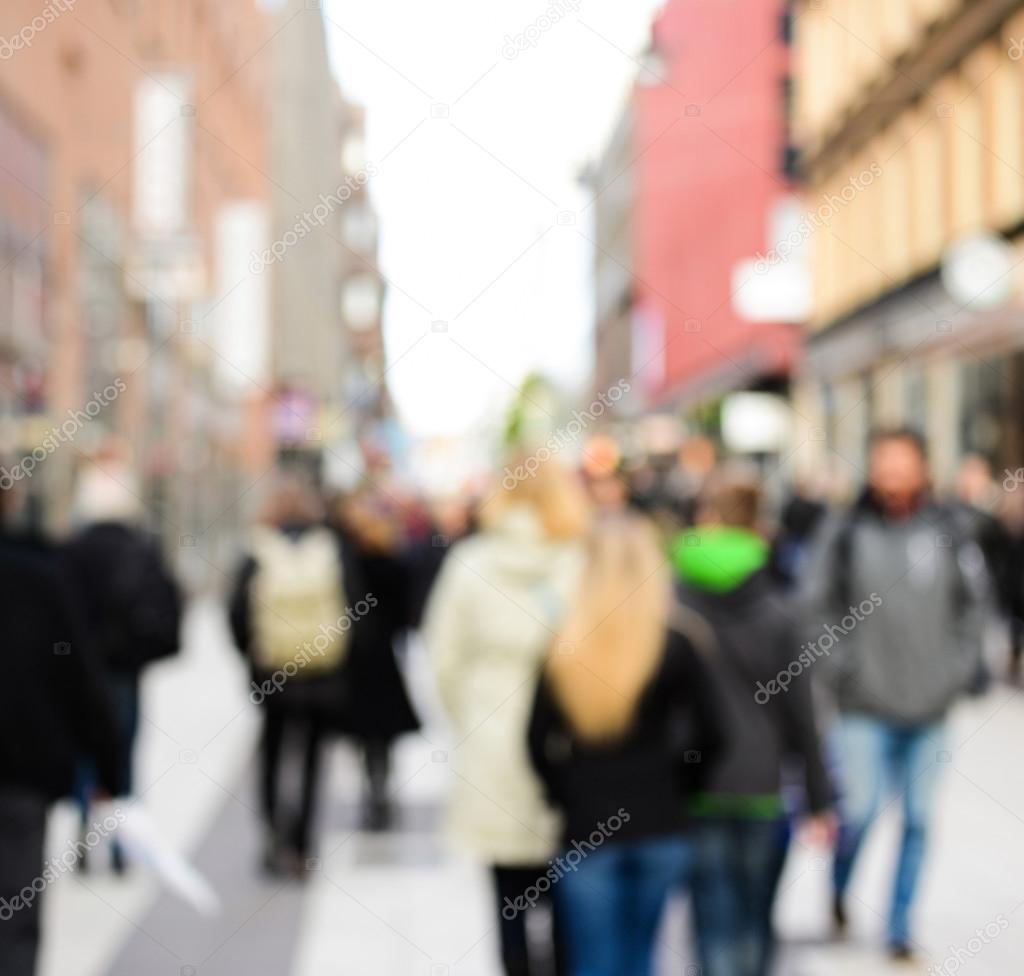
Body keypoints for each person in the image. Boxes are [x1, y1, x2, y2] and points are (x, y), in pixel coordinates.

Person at [803, 428, 985, 960]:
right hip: (864, 705)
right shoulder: (845, 530)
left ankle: (900, 925)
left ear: (924, 469)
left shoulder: (949, 530)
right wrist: (841, 669)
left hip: (930, 706)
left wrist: (958, 668)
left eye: (903, 464)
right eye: (884, 463)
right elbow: (815, 605)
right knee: (856, 811)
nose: (893, 475)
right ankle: (838, 887)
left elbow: (974, 606)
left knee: (920, 818)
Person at [527, 514, 726, 976]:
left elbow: (535, 743)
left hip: (586, 823)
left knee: (593, 962)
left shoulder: (562, 646)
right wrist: (682, 787)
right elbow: (714, 735)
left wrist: (564, 791)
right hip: (660, 822)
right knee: (641, 958)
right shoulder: (679, 643)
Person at [424, 458, 589, 976]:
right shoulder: (579, 561)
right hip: (568, 750)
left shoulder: (470, 562)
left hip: (493, 746)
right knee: (568, 900)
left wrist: (471, 719)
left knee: (508, 901)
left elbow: (443, 660)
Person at [671, 470, 833, 976]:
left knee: (709, 915)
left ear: (706, 518)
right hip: (762, 784)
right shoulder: (778, 610)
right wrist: (820, 797)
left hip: (692, 783)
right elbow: (801, 712)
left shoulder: (671, 604)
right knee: (755, 915)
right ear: (758, 529)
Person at [0, 486, 121, 976]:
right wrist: (109, 766)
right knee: (15, 913)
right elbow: (79, 679)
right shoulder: (41, 576)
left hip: (24, 770)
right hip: (22, 773)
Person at [230, 472, 355, 875]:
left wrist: (251, 654)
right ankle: (303, 845)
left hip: (273, 671)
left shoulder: (258, 549)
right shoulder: (329, 548)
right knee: (314, 760)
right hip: (322, 672)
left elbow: (236, 612)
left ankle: (271, 835)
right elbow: (353, 606)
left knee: (271, 753)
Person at [63, 461, 182, 873]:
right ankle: (119, 847)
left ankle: (84, 832)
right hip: (124, 672)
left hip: (81, 673)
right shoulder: (142, 548)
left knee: (84, 754)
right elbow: (168, 606)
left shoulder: (72, 550)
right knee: (125, 754)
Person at [329, 490, 420, 830]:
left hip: (357, 659)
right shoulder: (393, 562)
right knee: (382, 736)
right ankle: (380, 790)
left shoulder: (349, 561)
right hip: (384, 660)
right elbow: (405, 615)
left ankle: (374, 791)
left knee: (367, 735)